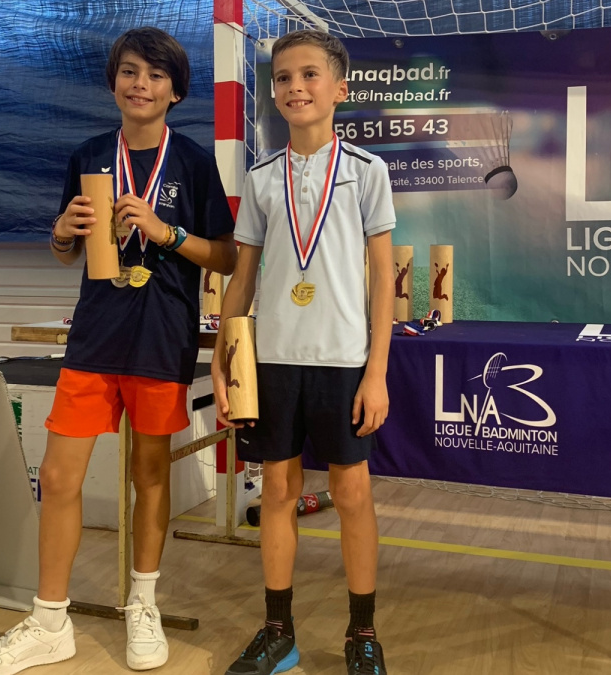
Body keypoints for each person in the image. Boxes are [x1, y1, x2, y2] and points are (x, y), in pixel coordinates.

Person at [0, 26, 237, 675]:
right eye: (130, 71)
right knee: (59, 477)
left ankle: (143, 602)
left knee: (150, 475)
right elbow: (69, 253)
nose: (141, 84)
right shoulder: (89, 154)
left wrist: (166, 232)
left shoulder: (193, 160)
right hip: (94, 337)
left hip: (161, 338)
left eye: (156, 75)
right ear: (114, 81)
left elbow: (225, 256)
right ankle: (49, 620)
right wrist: (61, 232)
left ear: (175, 91)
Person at [211, 28, 395, 675]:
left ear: (340, 88)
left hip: (343, 361)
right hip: (274, 361)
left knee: (352, 494)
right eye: (284, 77)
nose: (296, 87)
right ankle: (278, 631)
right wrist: (225, 358)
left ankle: (362, 632)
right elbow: (242, 279)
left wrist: (376, 371)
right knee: (278, 489)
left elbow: (383, 280)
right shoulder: (262, 177)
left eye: (310, 74)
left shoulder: (367, 172)